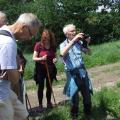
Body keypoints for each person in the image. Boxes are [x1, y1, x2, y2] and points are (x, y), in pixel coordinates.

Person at [0, 13, 41, 120]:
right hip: (1, 94)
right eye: (31, 34)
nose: (30, 39)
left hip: (6, 89)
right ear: (24, 27)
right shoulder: (7, 42)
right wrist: (18, 72)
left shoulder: (4, 34)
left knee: (23, 114)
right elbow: (13, 78)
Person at [60, 24, 93, 119]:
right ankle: (74, 116)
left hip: (82, 71)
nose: (75, 32)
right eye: (72, 31)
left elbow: (89, 53)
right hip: (71, 73)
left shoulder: (79, 43)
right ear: (66, 34)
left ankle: (88, 114)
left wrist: (87, 43)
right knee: (74, 96)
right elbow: (62, 53)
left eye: (75, 30)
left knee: (87, 94)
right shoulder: (63, 44)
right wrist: (74, 40)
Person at [33, 29, 57, 111]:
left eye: (49, 37)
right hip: (40, 69)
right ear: (43, 37)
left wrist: (55, 60)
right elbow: (34, 58)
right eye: (45, 37)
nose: (47, 39)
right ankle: (40, 105)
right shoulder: (38, 45)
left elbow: (55, 56)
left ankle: (49, 103)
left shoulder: (53, 45)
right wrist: (41, 58)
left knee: (49, 86)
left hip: (50, 68)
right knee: (41, 87)